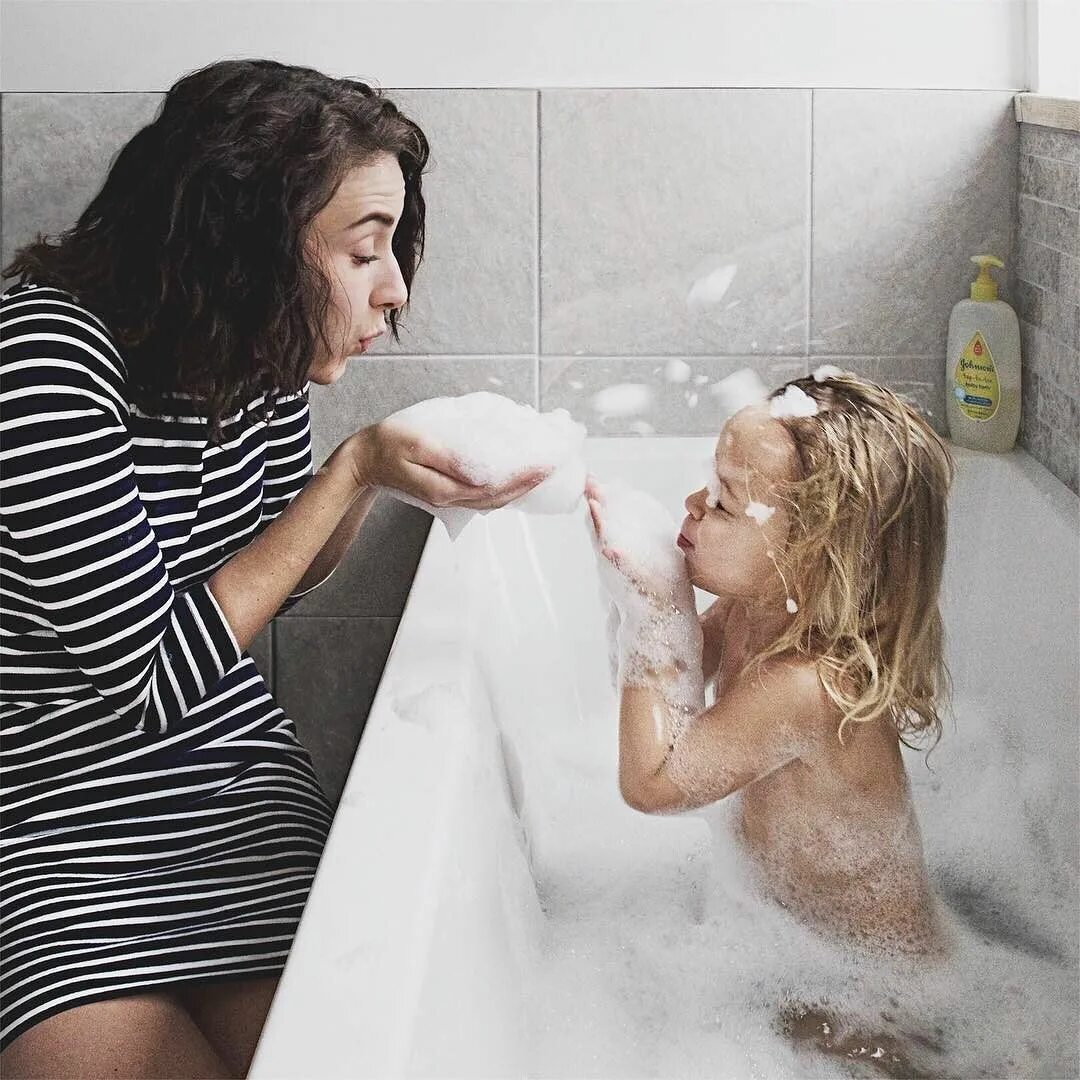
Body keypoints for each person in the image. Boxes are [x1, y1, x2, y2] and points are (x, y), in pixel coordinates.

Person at [0, 59, 544, 1079]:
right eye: (365, 250)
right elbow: (158, 674)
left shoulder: (252, 347)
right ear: (244, 243)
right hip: (54, 831)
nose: (395, 289)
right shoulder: (42, 361)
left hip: (233, 796)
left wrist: (394, 481)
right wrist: (351, 471)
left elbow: (265, 584)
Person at [587, 372, 955, 957]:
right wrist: (642, 591)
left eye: (724, 502)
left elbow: (652, 784)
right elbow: (674, 672)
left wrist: (658, 608)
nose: (694, 504)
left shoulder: (807, 687)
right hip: (791, 938)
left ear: (810, 558)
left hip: (874, 989)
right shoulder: (751, 608)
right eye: (710, 484)